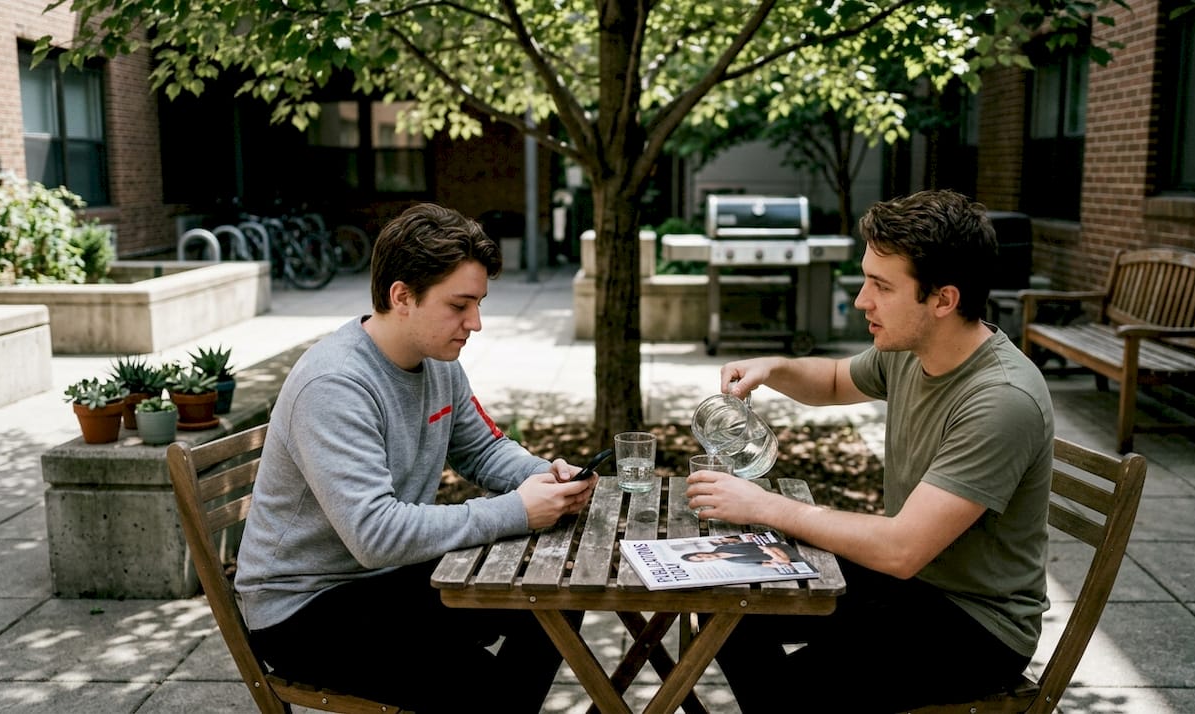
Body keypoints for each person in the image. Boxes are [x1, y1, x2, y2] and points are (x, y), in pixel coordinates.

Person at [686, 189, 1054, 713]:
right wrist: (773, 366)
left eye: (881, 286)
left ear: (943, 300)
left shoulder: (1000, 400)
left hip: (974, 625)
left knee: (791, 694)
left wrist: (765, 506)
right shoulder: (915, 348)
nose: (861, 300)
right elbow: (835, 379)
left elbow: (902, 548)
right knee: (726, 598)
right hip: (913, 584)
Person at [234, 202, 598, 713]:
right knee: (485, 692)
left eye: (478, 303)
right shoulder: (335, 385)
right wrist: (517, 511)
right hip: (304, 609)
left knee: (556, 596)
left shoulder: (436, 361)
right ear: (401, 296)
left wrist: (548, 478)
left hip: (383, 583)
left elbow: (485, 449)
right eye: (459, 305)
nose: (475, 322)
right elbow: (376, 535)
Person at [681, 540, 798, 568]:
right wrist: (776, 559)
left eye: (699, 556)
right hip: (796, 558)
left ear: (700, 552)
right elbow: (765, 563)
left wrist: (775, 557)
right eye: (701, 560)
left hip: (789, 546)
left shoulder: (722, 546)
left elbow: (767, 546)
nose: (704, 557)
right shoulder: (734, 562)